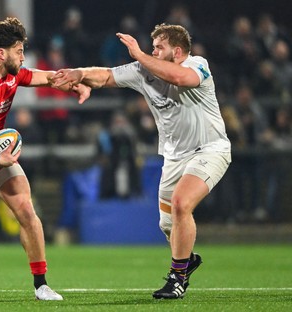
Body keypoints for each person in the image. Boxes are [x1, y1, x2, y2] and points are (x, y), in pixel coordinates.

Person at [52, 23, 231, 299]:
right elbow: (106, 76)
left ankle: (177, 278)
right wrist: (80, 74)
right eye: (153, 47)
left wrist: (139, 55)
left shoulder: (197, 65)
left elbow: (181, 78)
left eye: (160, 47)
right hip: (173, 157)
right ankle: (187, 259)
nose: (153, 51)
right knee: (168, 224)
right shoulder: (143, 70)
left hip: (209, 149)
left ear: (178, 51)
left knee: (182, 204)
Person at [0, 17, 90, 301]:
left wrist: (74, 85)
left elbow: (44, 76)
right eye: (19, 50)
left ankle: (41, 284)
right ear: (2, 53)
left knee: (26, 209)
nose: (23, 56)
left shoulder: (12, 72)